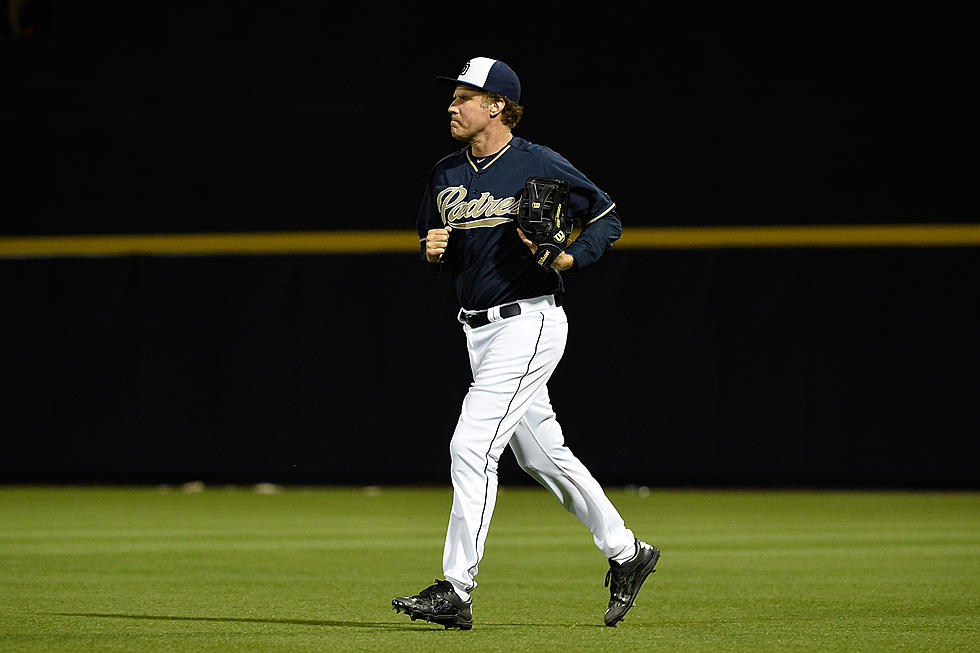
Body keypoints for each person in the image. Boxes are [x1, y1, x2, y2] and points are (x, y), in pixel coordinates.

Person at [392, 57, 659, 630]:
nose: (452, 106)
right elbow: (430, 237)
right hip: (477, 330)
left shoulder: (538, 163)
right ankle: (628, 552)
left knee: (471, 447)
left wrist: (570, 256)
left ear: (497, 106)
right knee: (541, 455)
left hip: (528, 322)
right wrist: (430, 248)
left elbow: (607, 217)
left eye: (464, 97)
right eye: (454, 96)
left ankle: (456, 590)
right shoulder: (445, 173)